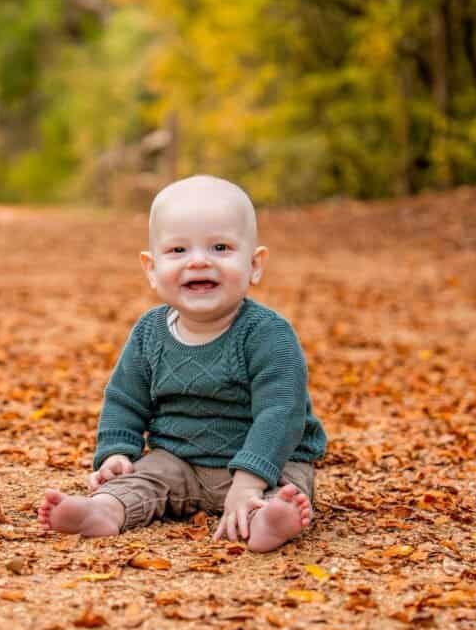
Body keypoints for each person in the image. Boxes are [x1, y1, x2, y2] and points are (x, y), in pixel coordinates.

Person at [37, 175, 327, 552]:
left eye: (220, 247)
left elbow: (281, 412)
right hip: (179, 461)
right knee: (142, 478)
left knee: (284, 489)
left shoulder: (267, 334)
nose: (199, 261)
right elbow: (125, 398)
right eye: (177, 251)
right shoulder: (149, 333)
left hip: (267, 463)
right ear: (151, 268)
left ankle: (268, 520)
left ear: (255, 265)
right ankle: (104, 511)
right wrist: (116, 452)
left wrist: (249, 479)